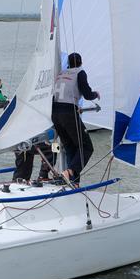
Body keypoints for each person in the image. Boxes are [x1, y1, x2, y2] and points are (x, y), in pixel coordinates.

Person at [51, 53, 99, 182]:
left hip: (55, 113)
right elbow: (87, 94)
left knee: (71, 147)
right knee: (87, 147)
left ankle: (73, 181)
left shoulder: (61, 74)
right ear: (81, 62)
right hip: (68, 113)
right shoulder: (80, 72)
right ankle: (70, 172)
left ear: (68, 63)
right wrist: (96, 94)